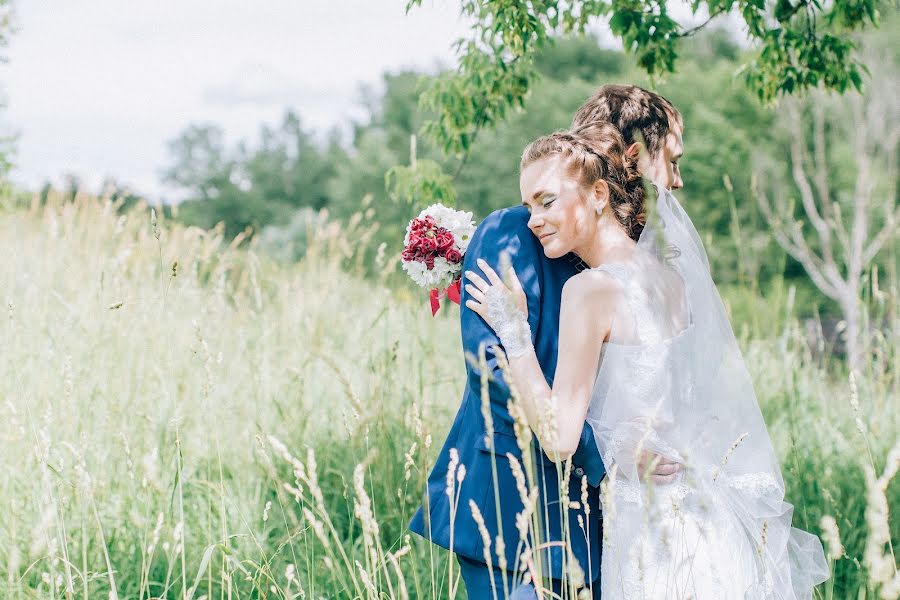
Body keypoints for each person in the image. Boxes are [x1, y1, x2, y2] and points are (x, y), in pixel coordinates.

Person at [464, 121, 829, 598]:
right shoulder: (670, 282)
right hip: (710, 524)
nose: (532, 219)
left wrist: (514, 333)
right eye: (529, 204)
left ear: (598, 194)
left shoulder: (590, 290)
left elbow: (557, 438)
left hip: (653, 538)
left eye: (546, 201)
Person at [409, 85, 686, 599]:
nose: (676, 178)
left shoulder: (633, 264)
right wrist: (611, 454)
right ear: (633, 157)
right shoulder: (515, 232)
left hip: (603, 522)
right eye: (670, 161)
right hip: (514, 508)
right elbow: (490, 367)